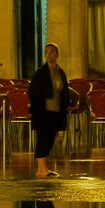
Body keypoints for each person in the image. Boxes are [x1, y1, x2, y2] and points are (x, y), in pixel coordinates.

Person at [28, 43, 69, 177]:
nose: (49, 54)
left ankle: (45, 167)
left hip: (56, 112)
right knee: (43, 138)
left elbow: (64, 90)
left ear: (57, 55)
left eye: (52, 52)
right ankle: (41, 169)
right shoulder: (40, 73)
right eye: (47, 52)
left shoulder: (60, 72)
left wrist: (65, 105)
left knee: (50, 139)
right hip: (43, 112)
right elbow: (33, 91)